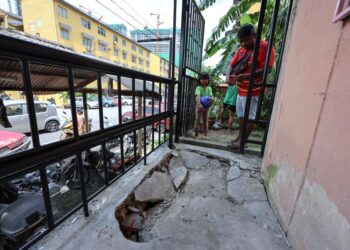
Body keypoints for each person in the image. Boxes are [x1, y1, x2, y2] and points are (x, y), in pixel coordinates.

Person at [227, 24, 275, 149]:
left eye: (245, 40)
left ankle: (243, 141)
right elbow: (230, 65)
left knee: (250, 117)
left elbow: (267, 69)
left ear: (254, 36)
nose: (242, 44)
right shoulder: (241, 49)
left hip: (255, 89)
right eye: (241, 41)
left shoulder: (265, 47)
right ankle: (240, 138)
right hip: (241, 89)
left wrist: (246, 76)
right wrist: (228, 77)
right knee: (242, 115)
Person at [194, 73, 213, 137]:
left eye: (206, 79)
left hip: (206, 107)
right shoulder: (198, 88)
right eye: (202, 79)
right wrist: (199, 104)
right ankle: (196, 134)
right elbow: (198, 96)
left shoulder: (209, 88)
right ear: (200, 80)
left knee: (205, 120)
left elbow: (211, 96)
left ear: (208, 80)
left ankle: (205, 135)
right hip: (199, 106)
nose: (204, 80)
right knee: (198, 120)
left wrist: (212, 99)